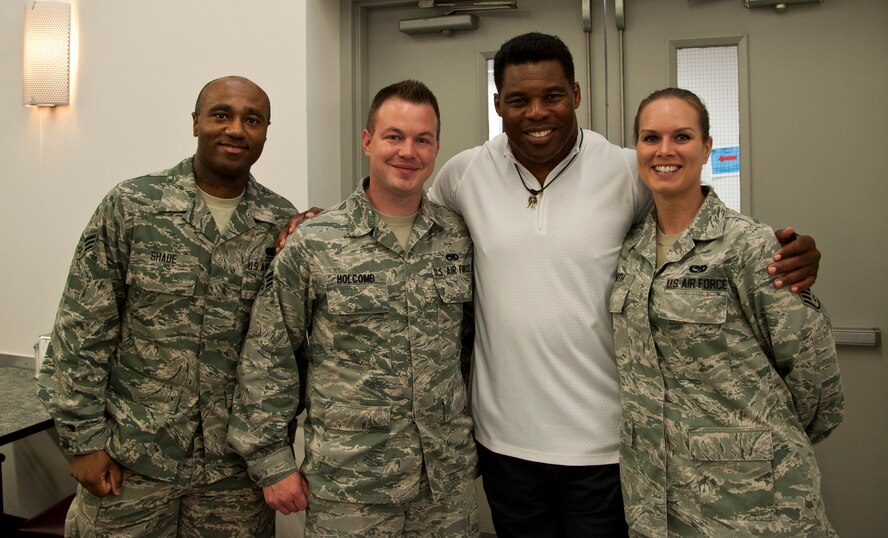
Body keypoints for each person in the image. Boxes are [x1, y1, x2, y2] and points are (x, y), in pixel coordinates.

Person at [278, 33, 822, 537]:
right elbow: (401, 219)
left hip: (607, 446)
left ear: (577, 94)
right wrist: (322, 223)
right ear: (498, 105)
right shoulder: (463, 176)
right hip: (503, 444)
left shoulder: (624, 172)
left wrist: (788, 251)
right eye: (519, 99)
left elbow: (691, 228)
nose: (537, 112)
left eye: (553, 96)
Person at [37, 76, 297, 537]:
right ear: (196, 122)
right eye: (222, 114)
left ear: (265, 132)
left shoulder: (278, 223)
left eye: (251, 120)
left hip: (232, 474)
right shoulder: (134, 206)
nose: (236, 129)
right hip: (131, 459)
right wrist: (82, 442)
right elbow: (81, 330)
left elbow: (287, 350)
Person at [228, 80, 479, 537]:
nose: (408, 151)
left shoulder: (458, 237)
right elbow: (270, 351)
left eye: (422, 140)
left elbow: (468, 347)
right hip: (351, 484)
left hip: (444, 484)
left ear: (436, 147)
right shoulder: (316, 242)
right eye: (394, 136)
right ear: (367, 141)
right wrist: (271, 460)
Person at [609, 87, 843, 536]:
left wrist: (752, 445)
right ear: (636, 148)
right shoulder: (629, 250)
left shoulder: (750, 247)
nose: (665, 151)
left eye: (682, 137)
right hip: (655, 498)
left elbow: (816, 377)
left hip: (752, 502)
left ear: (707, 147)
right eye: (650, 138)